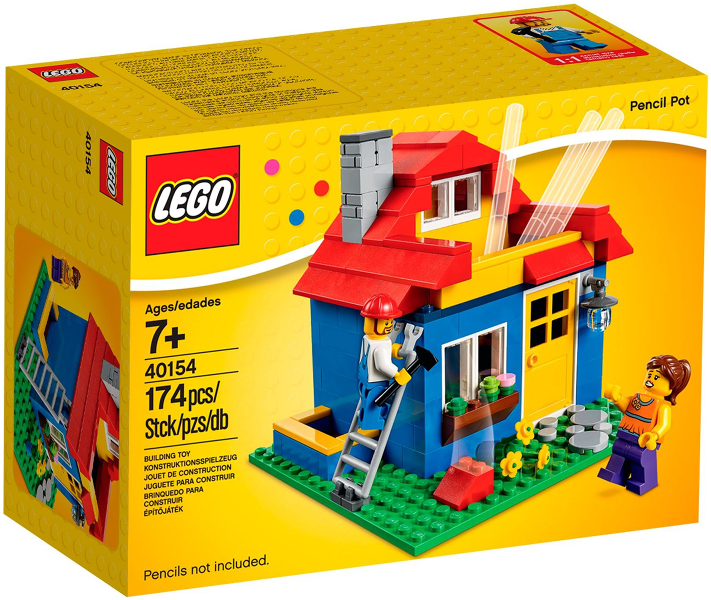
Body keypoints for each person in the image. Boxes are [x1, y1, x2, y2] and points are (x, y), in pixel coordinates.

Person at [598, 354, 691, 494]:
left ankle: (643, 481)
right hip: (625, 435)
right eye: (650, 374)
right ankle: (615, 472)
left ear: (670, 388)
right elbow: (627, 406)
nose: (650, 379)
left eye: (656, 377)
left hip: (645, 440)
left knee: (641, 459)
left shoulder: (663, 406)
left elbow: (665, 424)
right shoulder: (637, 398)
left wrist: (654, 435)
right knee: (618, 451)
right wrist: (617, 398)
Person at [357, 293, 411, 430]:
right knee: (374, 405)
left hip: (365, 378)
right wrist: (397, 374)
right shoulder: (380, 345)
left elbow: (373, 355)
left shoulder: (367, 339)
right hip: (377, 383)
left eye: (391, 322)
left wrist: (392, 351)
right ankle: (372, 423)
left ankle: (367, 420)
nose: (389, 326)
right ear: (373, 322)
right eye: (386, 323)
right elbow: (382, 365)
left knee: (367, 402)